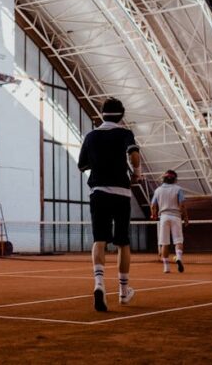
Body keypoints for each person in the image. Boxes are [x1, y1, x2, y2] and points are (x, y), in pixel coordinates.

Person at [78, 97, 141, 311]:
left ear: (102, 114)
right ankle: (123, 292)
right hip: (121, 193)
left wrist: (99, 163)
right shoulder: (125, 133)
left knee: (99, 240)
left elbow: (82, 165)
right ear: (121, 115)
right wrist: (136, 174)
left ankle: (99, 284)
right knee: (123, 242)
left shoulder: (91, 136)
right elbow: (134, 154)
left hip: (98, 193)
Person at [150, 170, 188, 273]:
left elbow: (153, 205)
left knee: (164, 243)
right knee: (178, 241)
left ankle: (166, 267)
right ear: (174, 179)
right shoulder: (178, 189)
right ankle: (178, 257)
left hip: (164, 217)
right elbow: (182, 205)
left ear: (164, 179)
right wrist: (185, 217)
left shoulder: (158, 190)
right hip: (176, 216)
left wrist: (153, 214)